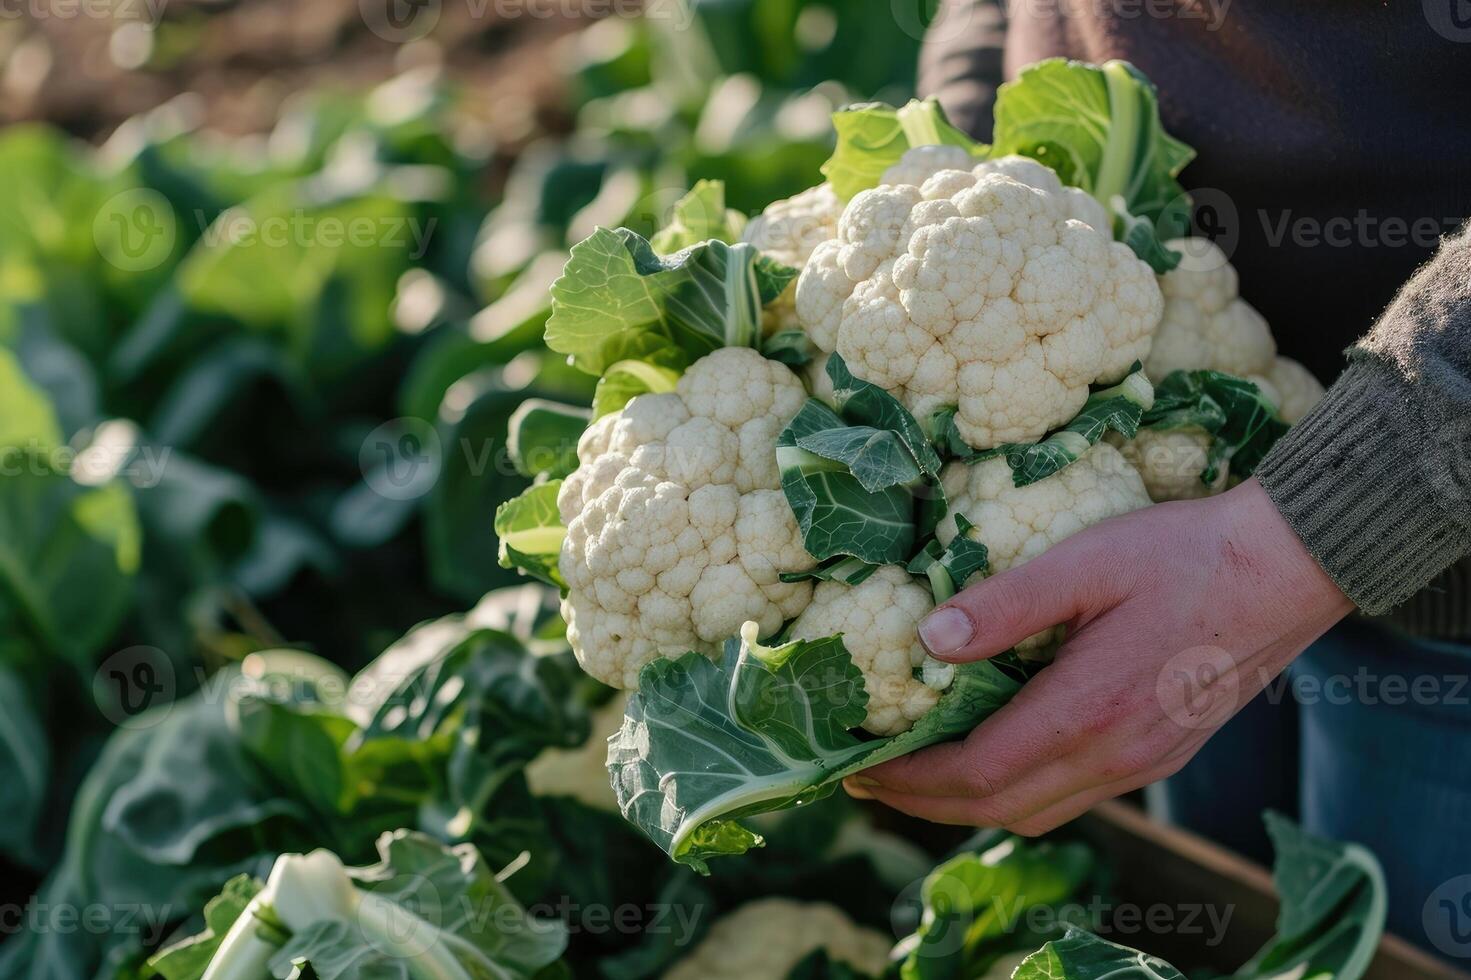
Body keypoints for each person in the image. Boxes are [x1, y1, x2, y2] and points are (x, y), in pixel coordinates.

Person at [842, 0, 1471, 960]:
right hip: (1141, 537)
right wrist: (961, 167)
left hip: (1439, 578)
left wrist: (1322, 521)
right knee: (1191, 929)